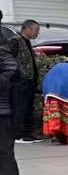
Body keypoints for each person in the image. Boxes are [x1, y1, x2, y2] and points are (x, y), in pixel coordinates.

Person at [0, 20, 34, 175]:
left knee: (4, 151)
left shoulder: (5, 43)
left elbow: (11, 67)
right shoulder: (12, 41)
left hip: (2, 109)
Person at [2, 17, 40, 148]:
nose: (37, 33)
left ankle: (29, 134)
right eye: (36, 30)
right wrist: (14, 73)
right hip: (19, 82)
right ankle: (17, 134)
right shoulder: (15, 41)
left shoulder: (27, 42)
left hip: (29, 81)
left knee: (29, 108)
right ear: (27, 29)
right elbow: (7, 58)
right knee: (19, 108)